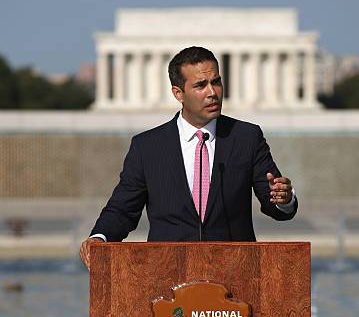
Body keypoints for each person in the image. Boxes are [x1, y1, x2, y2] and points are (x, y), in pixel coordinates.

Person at [80, 46, 297, 269]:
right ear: (178, 93)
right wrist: (100, 238)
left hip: (235, 273)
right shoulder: (147, 147)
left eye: (217, 82)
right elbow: (123, 209)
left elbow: (276, 203)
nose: (212, 92)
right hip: (167, 274)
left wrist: (284, 199)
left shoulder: (246, 138)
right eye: (200, 85)